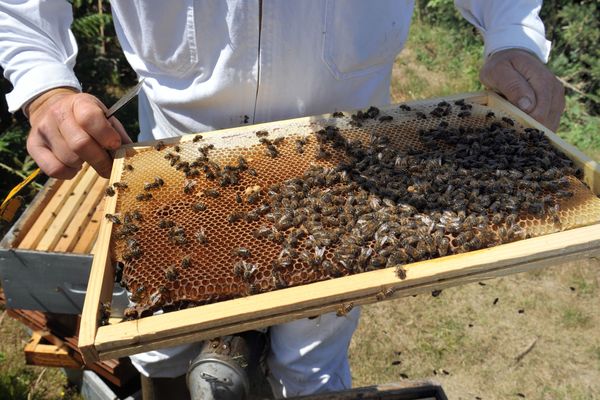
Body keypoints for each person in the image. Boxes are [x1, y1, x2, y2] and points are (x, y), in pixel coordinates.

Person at [0, 1, 565, 397]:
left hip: (353, 171)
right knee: (159, 343)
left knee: (312, 361)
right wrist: (45, 85)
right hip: (177, 164)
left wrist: (513, 36)